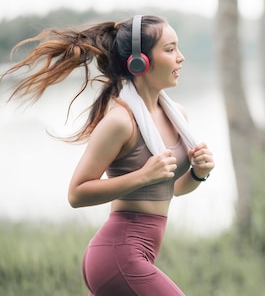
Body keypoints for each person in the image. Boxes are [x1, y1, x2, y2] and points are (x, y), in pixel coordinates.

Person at [1, 15, 214, 295]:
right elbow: (77, 194)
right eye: (170, 49)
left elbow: (169, 188)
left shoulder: (178, 116)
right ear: (140, 62)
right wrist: (142, 175)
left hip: (139, 254)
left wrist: (198, 173)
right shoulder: (120, 121)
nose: (181, 58)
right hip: (118, 255)